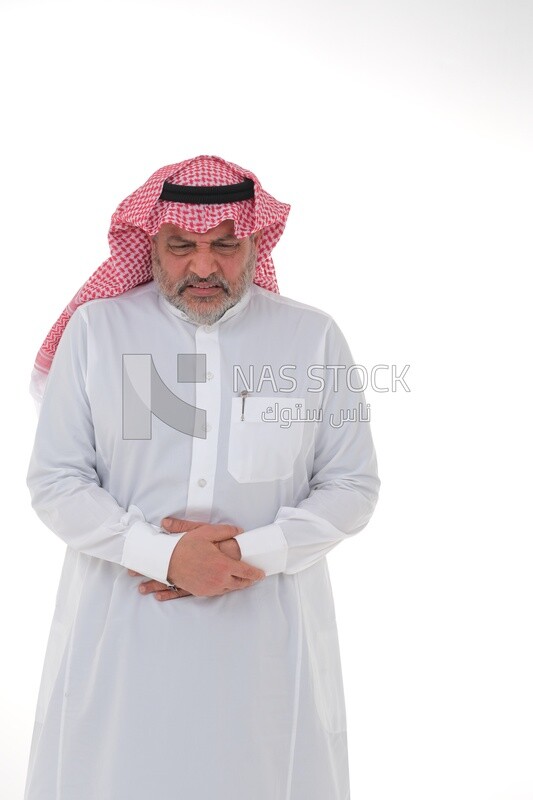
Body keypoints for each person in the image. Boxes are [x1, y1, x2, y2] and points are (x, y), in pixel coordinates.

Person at [25, 155, 380, 800]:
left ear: (254, 241)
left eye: (225, 245)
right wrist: (165, 556)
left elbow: (352, 485)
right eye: (181, 245)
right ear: (152, 243)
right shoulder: (99, 332)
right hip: (124, 641)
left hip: (266, 644)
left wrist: (246, 554)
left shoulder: (310, 338)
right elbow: (56, 481)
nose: (204, 266)